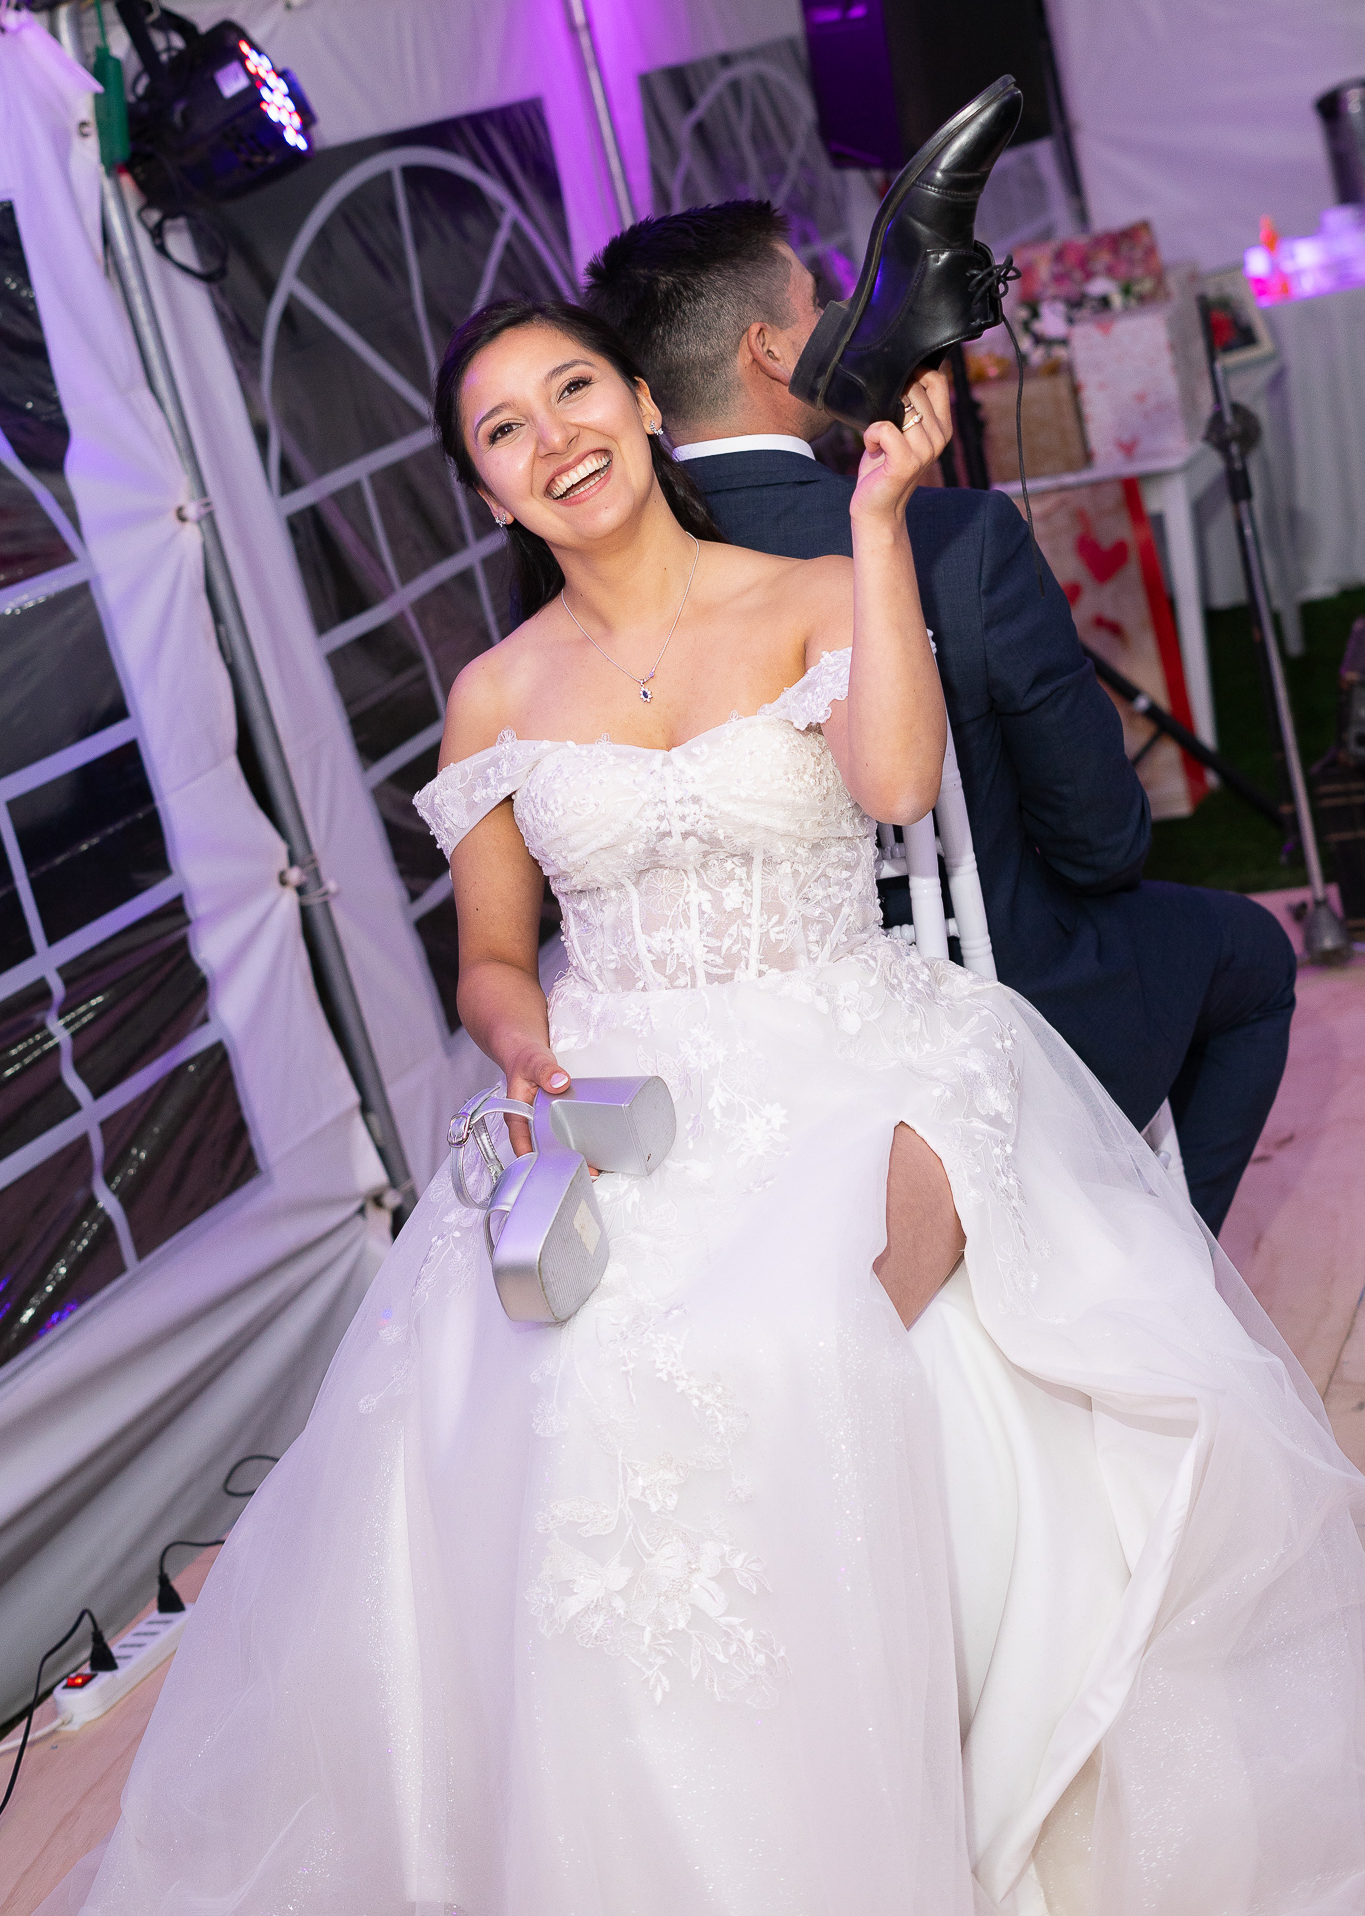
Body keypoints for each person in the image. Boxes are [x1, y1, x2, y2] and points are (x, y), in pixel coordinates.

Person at [59, 299, 1365, 1916]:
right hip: (613, 1087)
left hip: (853, 1044)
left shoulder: (814, 590)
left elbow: (896, 786)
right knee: (555, 1368)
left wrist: (877, 525)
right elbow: (492, 957)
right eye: (506, 430)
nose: (556, 437)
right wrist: (520, 1040)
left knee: (794, 1329)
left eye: (574, 390)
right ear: (490, 494)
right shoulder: (495, 693)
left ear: (641, 403)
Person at [581, 202, 1296, 1237]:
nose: (840, 322)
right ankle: (1151, 1264)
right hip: (990, 1003)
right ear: (771, 350)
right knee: (1254, 958)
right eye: (819, 305)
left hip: (728, 1067)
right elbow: (1103, 843)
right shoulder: (952, 536)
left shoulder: (594, 606)